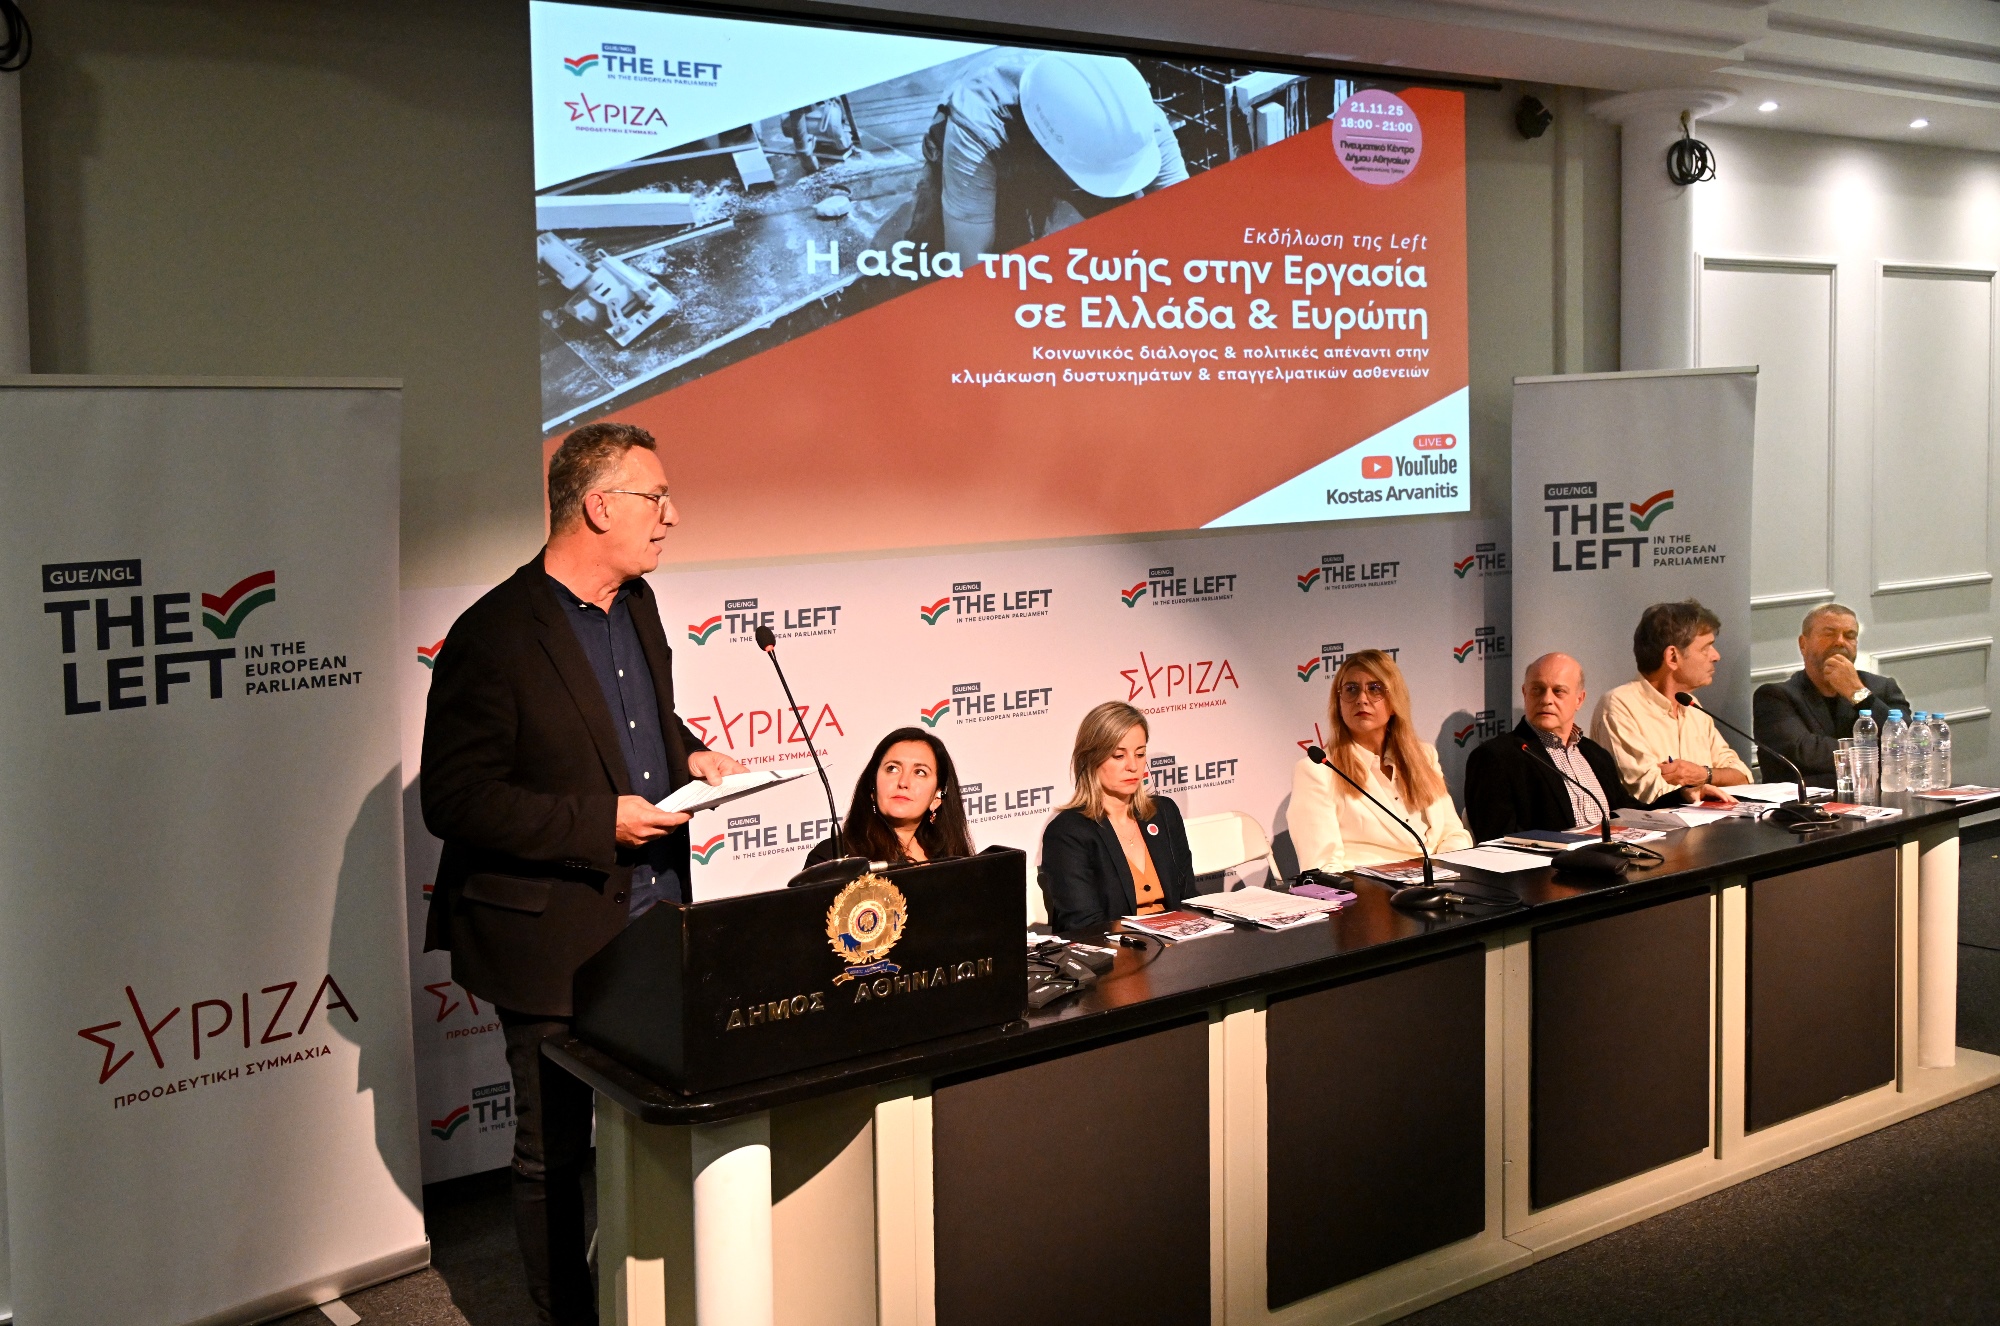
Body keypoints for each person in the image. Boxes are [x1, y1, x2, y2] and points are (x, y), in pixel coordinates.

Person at [421, 421, 744, 1325]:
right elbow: (455, 799)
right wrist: (599, 823)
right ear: (599, 506)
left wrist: (691, 753)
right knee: (552, 1150)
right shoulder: (492, 634)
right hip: (547, 938)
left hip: (655, 918)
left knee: (659, 1125)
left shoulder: (638, 604)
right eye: (657, 497)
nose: (672, 516)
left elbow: (630, 725)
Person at [907, 50, 1188, 266]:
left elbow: (1186, 219)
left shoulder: (1138, 122)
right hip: (994, 146)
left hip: (1059, 142)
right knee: (931, 256)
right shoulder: (978, 127)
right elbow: (968, 261)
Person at [1289, 650, 1472, 873]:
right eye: (1351, 689)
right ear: (1339, 704)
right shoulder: (1317, 771)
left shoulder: (1424, 756)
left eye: (1375, 689)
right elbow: (1321, 868)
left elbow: (1454, 834)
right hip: (1368, 890)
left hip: (1438, 883)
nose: (1362, 699)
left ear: (1394, 702)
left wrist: (1440, 873)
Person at [1039, 700, 1195, 932]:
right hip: (1116, 950)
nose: (1133, 766)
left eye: (1140, 754)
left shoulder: (1164, 812)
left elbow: (1188, 898)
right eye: (1118, 756)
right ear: (1091, 758)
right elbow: (1084, 925)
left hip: (1180, 946)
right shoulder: (1068, 832)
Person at [1463, 653, 1649, 842]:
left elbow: (1628, 811)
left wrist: (1670, 798)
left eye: (1558, 691)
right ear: (1525, 693)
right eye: (1537, 690)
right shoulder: (1496, 757)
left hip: (1614, 856)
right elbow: (1497, 839)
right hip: (1553, 861)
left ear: (1579, 699)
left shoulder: (1596, 755)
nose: (1546, 699)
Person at [1590, 599, 1751, 805]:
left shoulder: (1692, 706)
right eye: (1705, 648)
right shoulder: (1619, 706)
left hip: (1709, 822)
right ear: (1672, 657)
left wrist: (1703, 774)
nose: (1716, 656)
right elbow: (1646, 792)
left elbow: (1742, 775)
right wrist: (1698, 790)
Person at [1753, 602, 1912, 780]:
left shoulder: (1882, 688)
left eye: (1849, 636)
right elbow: (1805, 753)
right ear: (1803, 644)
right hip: (1807, 796)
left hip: (1876, 794)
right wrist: (1881, 754)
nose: (1840, 642)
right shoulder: (1774, 697)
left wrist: (1858, 693)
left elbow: (1908, 741)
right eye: (1829, 634)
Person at [805, 727, 975, 866]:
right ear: (873, 786)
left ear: (937, 797)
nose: (903, 782)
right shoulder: (834, 858)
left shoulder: (951, 859)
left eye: (920, 772)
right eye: (892, 769)